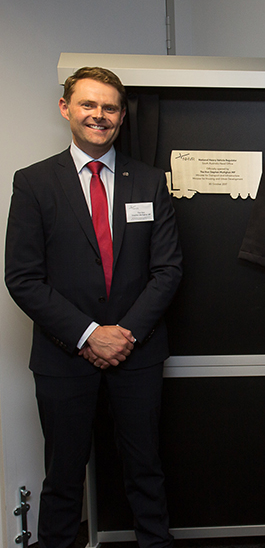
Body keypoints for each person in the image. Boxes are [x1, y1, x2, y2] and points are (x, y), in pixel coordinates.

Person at [5, 67, 182, 548]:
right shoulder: (34, 183)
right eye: (88, 104)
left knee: (146, 469)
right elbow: (22, 277)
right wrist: (89, 334)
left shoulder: (149, 182)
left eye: (109, 107)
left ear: (122, 117)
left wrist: (122, 335)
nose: (98, 115)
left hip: (136, 353)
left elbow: (168, 270)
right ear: (66, 108)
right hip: (64, 356)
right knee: (63, 477)